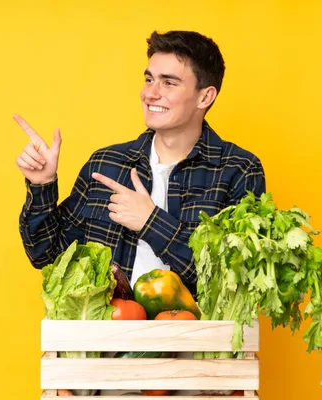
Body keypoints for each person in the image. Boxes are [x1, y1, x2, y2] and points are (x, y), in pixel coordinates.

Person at [15, 30, 266, 295]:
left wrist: (151, 221)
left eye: (169, 83)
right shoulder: (106, 164)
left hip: (193, 334)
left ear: (205, 97)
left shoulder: (238, 170)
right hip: (109, 332)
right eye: (149, 79)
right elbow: (46, 255)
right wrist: (42, 184)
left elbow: (236, 279)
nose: (150, 93)